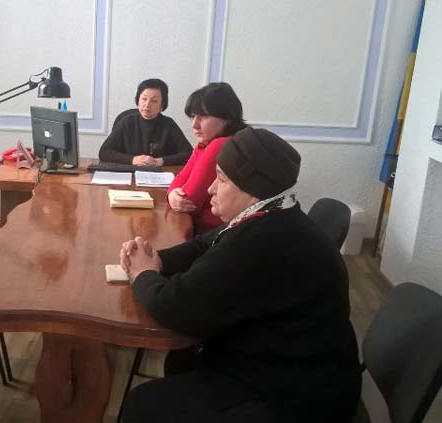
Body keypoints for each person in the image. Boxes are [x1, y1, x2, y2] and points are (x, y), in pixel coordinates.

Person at [118, 127, 361, 423]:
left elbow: (175, 307)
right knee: (181, 360)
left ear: (250, 187)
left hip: (293, 395)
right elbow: (203, 244)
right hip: (289, 362)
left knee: (141, 406)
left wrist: (143, 273)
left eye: (221, 179)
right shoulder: (273, 212)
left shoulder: (263, 239)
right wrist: (157, 259)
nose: (210, 189)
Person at [166, 82, 247, 234]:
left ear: (227, 117)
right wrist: (171, 193)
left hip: (214, 234)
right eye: (193, 116)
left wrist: (174, 193)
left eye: (203, 116)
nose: (194, 125)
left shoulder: (220, 145)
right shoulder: (205, 144)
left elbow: (189, 201)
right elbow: (181, 176)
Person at [99, 78, 192, 166]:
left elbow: (189, 154)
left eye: (154, 101)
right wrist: (133, 159)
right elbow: (104, 152)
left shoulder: (168, 124)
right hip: (130, 172)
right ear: (138, 100)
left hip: (158, 173)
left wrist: (160, 161)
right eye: (144, 99)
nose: (147, 105)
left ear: (162, 105)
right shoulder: (126, 122)